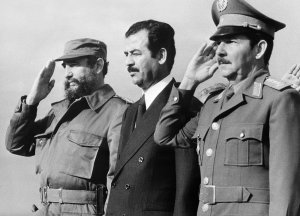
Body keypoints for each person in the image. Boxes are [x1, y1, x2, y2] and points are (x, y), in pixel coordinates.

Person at [154, 0, 300, 215]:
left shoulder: (279, 99)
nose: (219, 51)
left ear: (259, 49)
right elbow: (165, 137)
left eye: (230, 41)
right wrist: (188, 82)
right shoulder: (213, 104)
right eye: (218, 43)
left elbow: (285, 189)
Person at [5, 38, 129, 215]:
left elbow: (119, 182)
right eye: (65, 66)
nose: (67, 73)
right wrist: (32, 102)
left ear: (98, 66)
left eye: (74, 65)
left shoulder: (118, 111)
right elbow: (16, 144)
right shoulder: (59, 112)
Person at [105, 20, 200, 216]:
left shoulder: (185, 106)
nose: (128, 62)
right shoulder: (131, 111)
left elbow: (186, 190)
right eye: (126, 54)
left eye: (136, 53)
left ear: (161, 56)